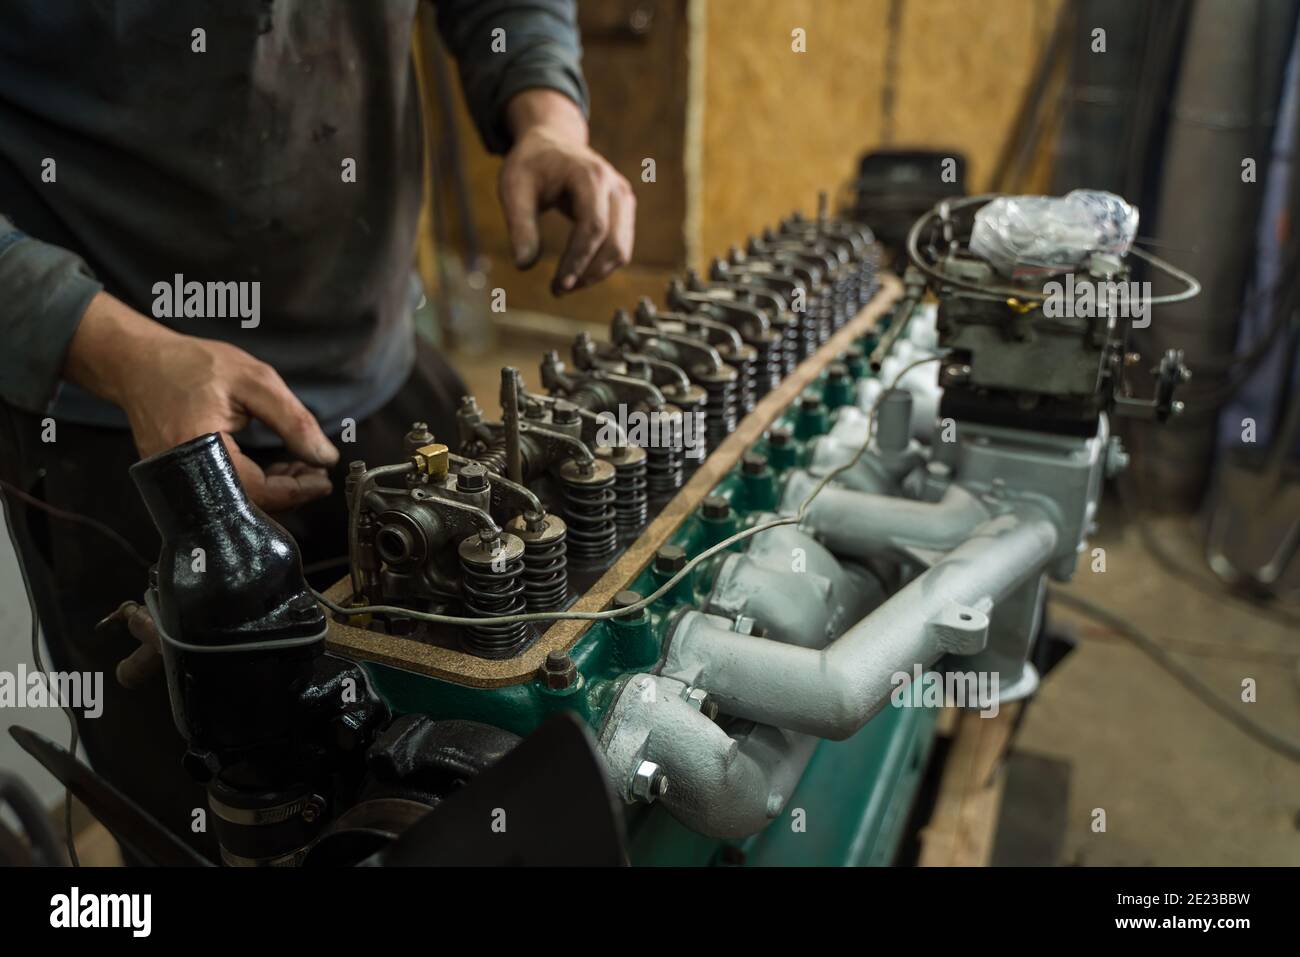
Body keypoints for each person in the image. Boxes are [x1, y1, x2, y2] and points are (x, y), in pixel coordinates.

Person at [0, 0, 635, 858]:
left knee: (464, 790)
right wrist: (117, 351)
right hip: (125, 433)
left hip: (381, 376)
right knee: (212, 826)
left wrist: (547, 113)